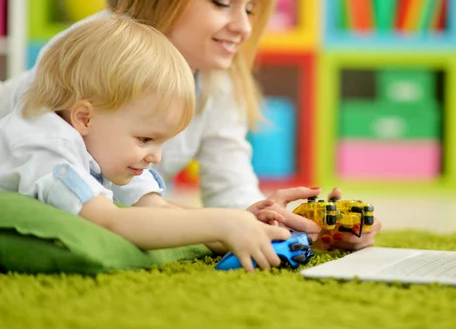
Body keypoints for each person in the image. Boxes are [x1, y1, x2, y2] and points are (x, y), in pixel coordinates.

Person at [0, 0, 381, 250]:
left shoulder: (218, 78)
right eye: (222, 2)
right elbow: (109, 218)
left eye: (249, 8)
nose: (244, 28)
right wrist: (224, 225)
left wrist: (293, 227)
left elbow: (219, 195)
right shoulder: (86, 59)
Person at [0, 16, 294, 273]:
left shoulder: (103, 149)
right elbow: (108, 222)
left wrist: (240, 222)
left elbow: (155, 208)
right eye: (145, 139)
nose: (156, 157)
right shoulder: (48, 147)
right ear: (84, 118)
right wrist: (221, 225)